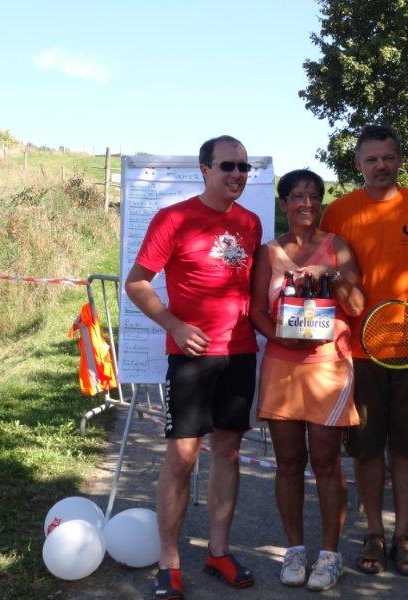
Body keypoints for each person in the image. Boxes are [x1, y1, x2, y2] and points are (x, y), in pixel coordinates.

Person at [124, 135, 262, 600]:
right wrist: (175, 326)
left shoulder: (250, 223)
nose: (237, 175)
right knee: (181, 458)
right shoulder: (174, 218)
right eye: (228, 166)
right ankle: (169, 563)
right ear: (205, 169)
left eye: (243, 167)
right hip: (191, 358)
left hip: (239, 353)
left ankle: (218, 551)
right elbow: (137, 283)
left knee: (227, 453)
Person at [319, 124, 408, 577]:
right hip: (358, 354)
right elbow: (323, 279)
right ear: (357, 163)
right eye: (371, 159)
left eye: (388, 158)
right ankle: (373, 533)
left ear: (400, 160)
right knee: (367, 450)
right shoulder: (338, 213)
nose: (380, 166)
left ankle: (403, 535)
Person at [249, 169, 365, 592]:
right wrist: (279, 337)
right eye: (298, 196)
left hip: (328, 366)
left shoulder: (338, 246)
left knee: (327, 461)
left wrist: (332, 275)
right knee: (288, 462)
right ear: (283, 204)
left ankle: (330, 555)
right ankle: (295, 550)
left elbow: (357, 305)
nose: (307, 203)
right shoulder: (269, 252)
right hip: (282, 364)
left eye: (314, 196)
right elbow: (256, 311)